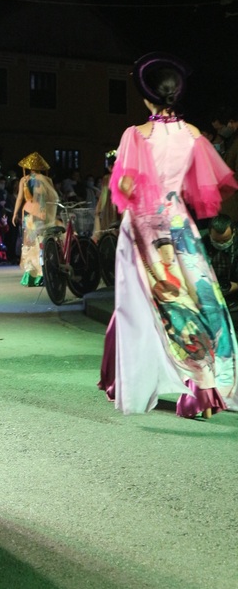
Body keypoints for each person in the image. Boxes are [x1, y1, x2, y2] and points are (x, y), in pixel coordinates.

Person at [99, 52, 238, 418]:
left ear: (147, 97)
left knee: (152, 304)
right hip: (180, 224)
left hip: (144, 228)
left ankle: (188, 382)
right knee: (196, 294)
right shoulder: (193, 135)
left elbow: (126, 188)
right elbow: (202, 186)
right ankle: (206, 380)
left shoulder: (136, 135)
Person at [13, 152, 58, 287]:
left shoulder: (24, 180)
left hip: (28, 213)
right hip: (41, 213)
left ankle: (31, 276)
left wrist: (14, 213)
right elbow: (53, 197)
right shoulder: (46, 180)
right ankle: (43, 274)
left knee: (29, 243)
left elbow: (20, 198)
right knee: (41, 242)